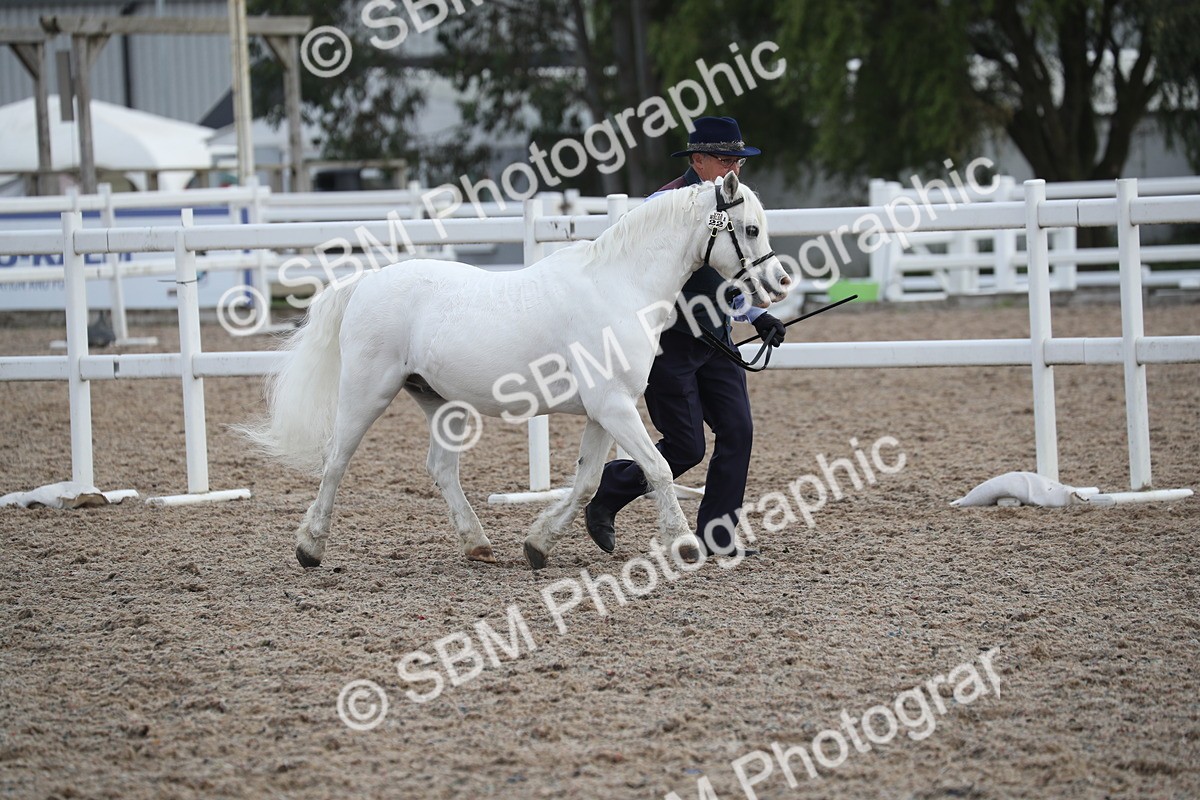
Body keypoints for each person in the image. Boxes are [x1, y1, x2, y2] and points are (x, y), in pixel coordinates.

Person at [584, 116, 786, 557]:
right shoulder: (663, 204)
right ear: (697, 159)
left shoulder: (733, 203)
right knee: (686, 447)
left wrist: (755, 314)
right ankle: (611, 490)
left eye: (739, 161)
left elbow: (732, 267)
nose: (734, 170)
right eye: (725, 160)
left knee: (738, 431)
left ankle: (718, 535)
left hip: (716, 339)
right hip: (668, 344)